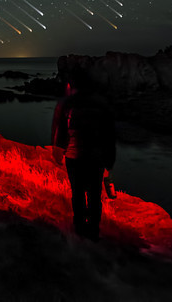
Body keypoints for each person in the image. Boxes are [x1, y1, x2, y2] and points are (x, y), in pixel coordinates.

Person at [52, 69, 116, 240]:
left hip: (74, 156)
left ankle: (79, 227)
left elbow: (61, 131)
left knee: (78, 193)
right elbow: (109, 134)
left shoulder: (68, 103)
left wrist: (58, 150)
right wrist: (110, 159)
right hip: (96, 157)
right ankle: (93, 229)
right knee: (94, 195)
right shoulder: (101, 104)